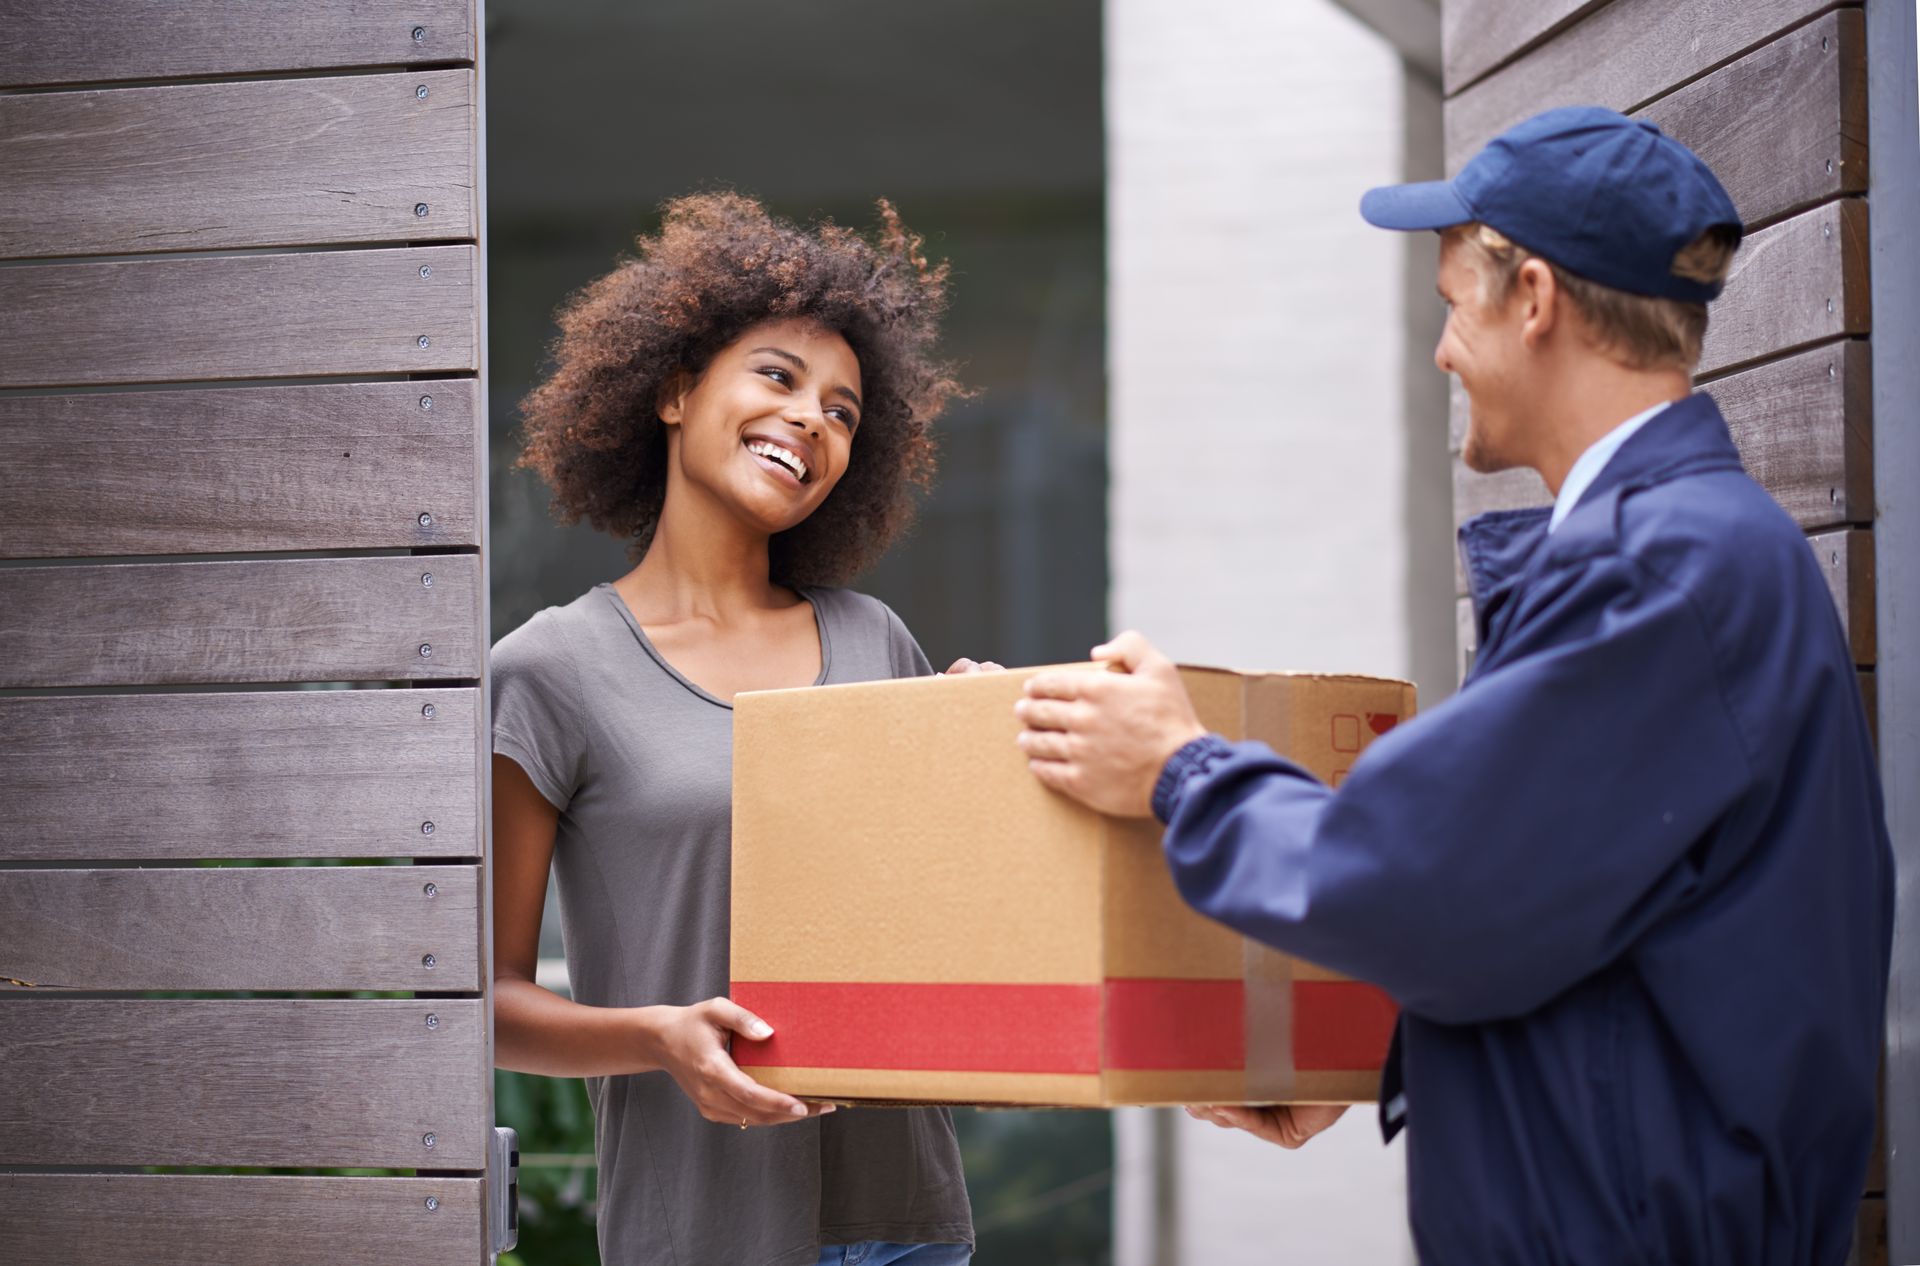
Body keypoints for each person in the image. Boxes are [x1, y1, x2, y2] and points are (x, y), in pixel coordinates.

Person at [1013, 106, 1892, 1265]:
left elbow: (1418, 880)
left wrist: (1178, 767)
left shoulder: (1658, 572)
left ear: (1532, 300)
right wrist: (1392, 1055)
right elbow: (1549, 912)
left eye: (1450, 306)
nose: (1440, 351)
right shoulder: (1692, 553)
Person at [491, 193, 981, 1266]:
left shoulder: (872, 639)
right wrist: (655, 1040)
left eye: (845, 412)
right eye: (779, 376)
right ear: (673, 388)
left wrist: (983, 761)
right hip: (700, 1233)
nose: (812, 418)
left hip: (908, 1228)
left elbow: (929, 921)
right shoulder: (550, 671)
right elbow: (487, 1003)